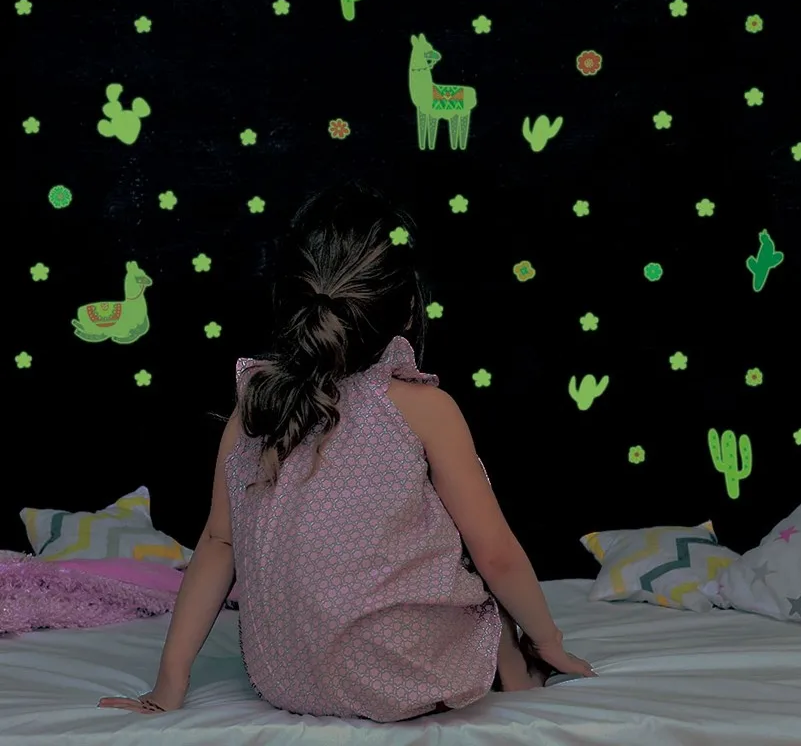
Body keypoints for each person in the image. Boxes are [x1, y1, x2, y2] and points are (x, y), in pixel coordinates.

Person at [98, 183, 595, 722]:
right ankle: (518, 667)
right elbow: (497, 553)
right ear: (408, 310)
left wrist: (169, 682)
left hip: (287, 681)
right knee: (479, 565)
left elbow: (219, 545)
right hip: (403, 677)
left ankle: (501, 661)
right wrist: (550, 640)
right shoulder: (422, 406)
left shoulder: (256, 407)